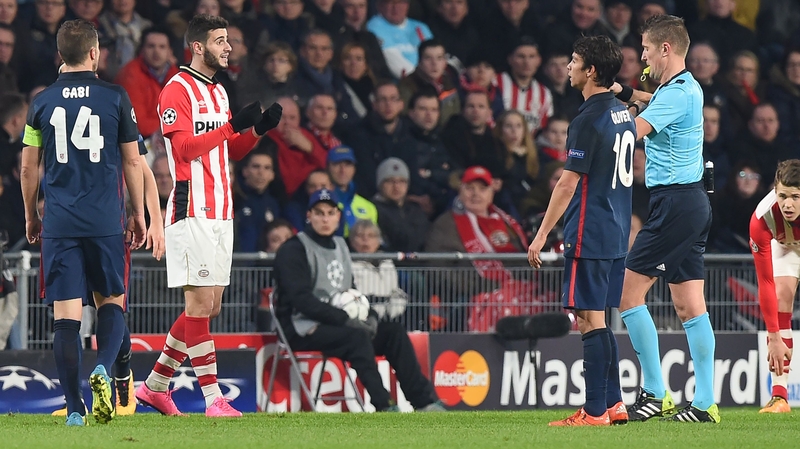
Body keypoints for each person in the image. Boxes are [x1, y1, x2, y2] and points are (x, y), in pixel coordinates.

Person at [134, 14, 282, 418]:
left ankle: (155, 386)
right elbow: (182, 150)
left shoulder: (218, 92)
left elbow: (228, 151)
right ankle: (213, 399)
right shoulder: (175, 90)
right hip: (191, 208)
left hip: (221, 209)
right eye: (220, 40)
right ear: (198, 46)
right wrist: (232, 125)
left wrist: (255, 131)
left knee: (210, 306)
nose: (228, 47)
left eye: (229, 40)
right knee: (199, 304)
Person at [19, 19, 147, 426]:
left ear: (61, 55)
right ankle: (105, 369)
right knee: (111, 302)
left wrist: (32, 215)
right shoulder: (115, 96)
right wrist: (138, 213)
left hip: (60, 222)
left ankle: (75, 408)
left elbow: (27, 168)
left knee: (66, 317)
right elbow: (132, 160)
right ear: (94, 53)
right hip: (105, 220)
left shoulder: (41, 102)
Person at [611, 14, 718, 423]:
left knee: (627, 295)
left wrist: (603, 117)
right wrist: (621, 90)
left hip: (674, 205)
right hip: (690, 203)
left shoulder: (675, 94)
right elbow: (648, 97)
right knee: (690, 306)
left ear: (666, 50)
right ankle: (705, 402)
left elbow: (631, 132)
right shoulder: (684, 88)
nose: (643, 57)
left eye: (647, 50)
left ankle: (656, 394)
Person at [528, 35, 633, 427]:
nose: (567, 67)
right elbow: (645, 104)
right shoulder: (622, 112)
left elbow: (567, 184)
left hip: (590, 231)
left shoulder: (586, 119)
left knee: (589, 320)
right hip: (618, 231)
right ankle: (614, 403)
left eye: (573, 61)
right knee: (601, 317)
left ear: (590, 70)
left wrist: (540, 235)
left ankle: (593, 412)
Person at [272, 188, 445, 412]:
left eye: (330, 213)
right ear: (309, 215)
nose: (325, 219)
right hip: (300, 328)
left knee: (393, 332)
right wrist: (344, 318)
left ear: (338, 216)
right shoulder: (294, 249)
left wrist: (370, 315)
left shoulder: (341, 247)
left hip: (337, 323)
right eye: (319, 213)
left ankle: (424, 402)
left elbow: (351, 291)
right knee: (356, 338)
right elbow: (300, 299)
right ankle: (384, 405)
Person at [749, 159, 799, 414]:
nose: (787, 204)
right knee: (781, 295)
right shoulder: (762, 217)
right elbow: (765, 281)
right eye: (782, 196)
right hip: (787, 245)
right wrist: (774, 337)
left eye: (795, 197)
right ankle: (780, 397)